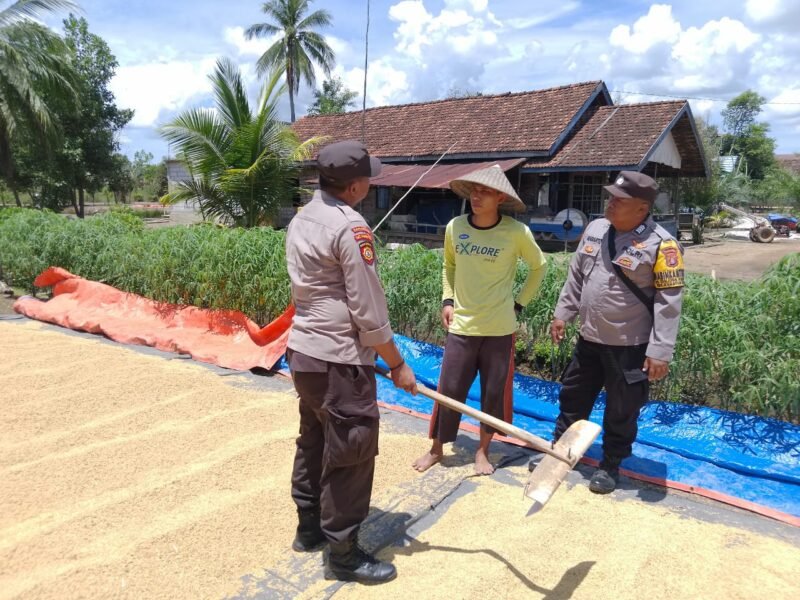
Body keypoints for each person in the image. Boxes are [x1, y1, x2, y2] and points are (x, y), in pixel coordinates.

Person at [284, 140, 417, 584]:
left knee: (315, 439)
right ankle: (343, 554)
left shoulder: (302, 217)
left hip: (304, 352)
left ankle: (309, 529)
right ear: (356, 186)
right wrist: (397, 363)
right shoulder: (350, 226)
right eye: (368, 179)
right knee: (351, 451)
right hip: (339, 359)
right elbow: (367, 309)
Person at [550, 170, 685, 494]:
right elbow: (576, 275)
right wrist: (563, 313)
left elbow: (668, 302)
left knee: (622, 408)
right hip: (589, 338)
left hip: (629, 346)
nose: (609, 203)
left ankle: (610, 464)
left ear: (642, 208)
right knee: (573, 397)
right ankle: (561, 454)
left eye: (619, 200)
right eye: (610, 196)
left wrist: (660, 351)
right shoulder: (596, 229)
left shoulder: (662, 245)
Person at [412, 165, 547, 475]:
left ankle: (483, 451)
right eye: (474, 190)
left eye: (486, 191)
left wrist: (519, 304)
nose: (477, 196)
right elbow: (449, 265)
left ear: (500, 197)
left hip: (499, 329)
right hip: (462, 326)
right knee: (448, 390)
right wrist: (448, 300)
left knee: (493, 393)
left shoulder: (516, 232)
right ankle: (436, 448)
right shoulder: (455, 227)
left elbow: (538, 267)